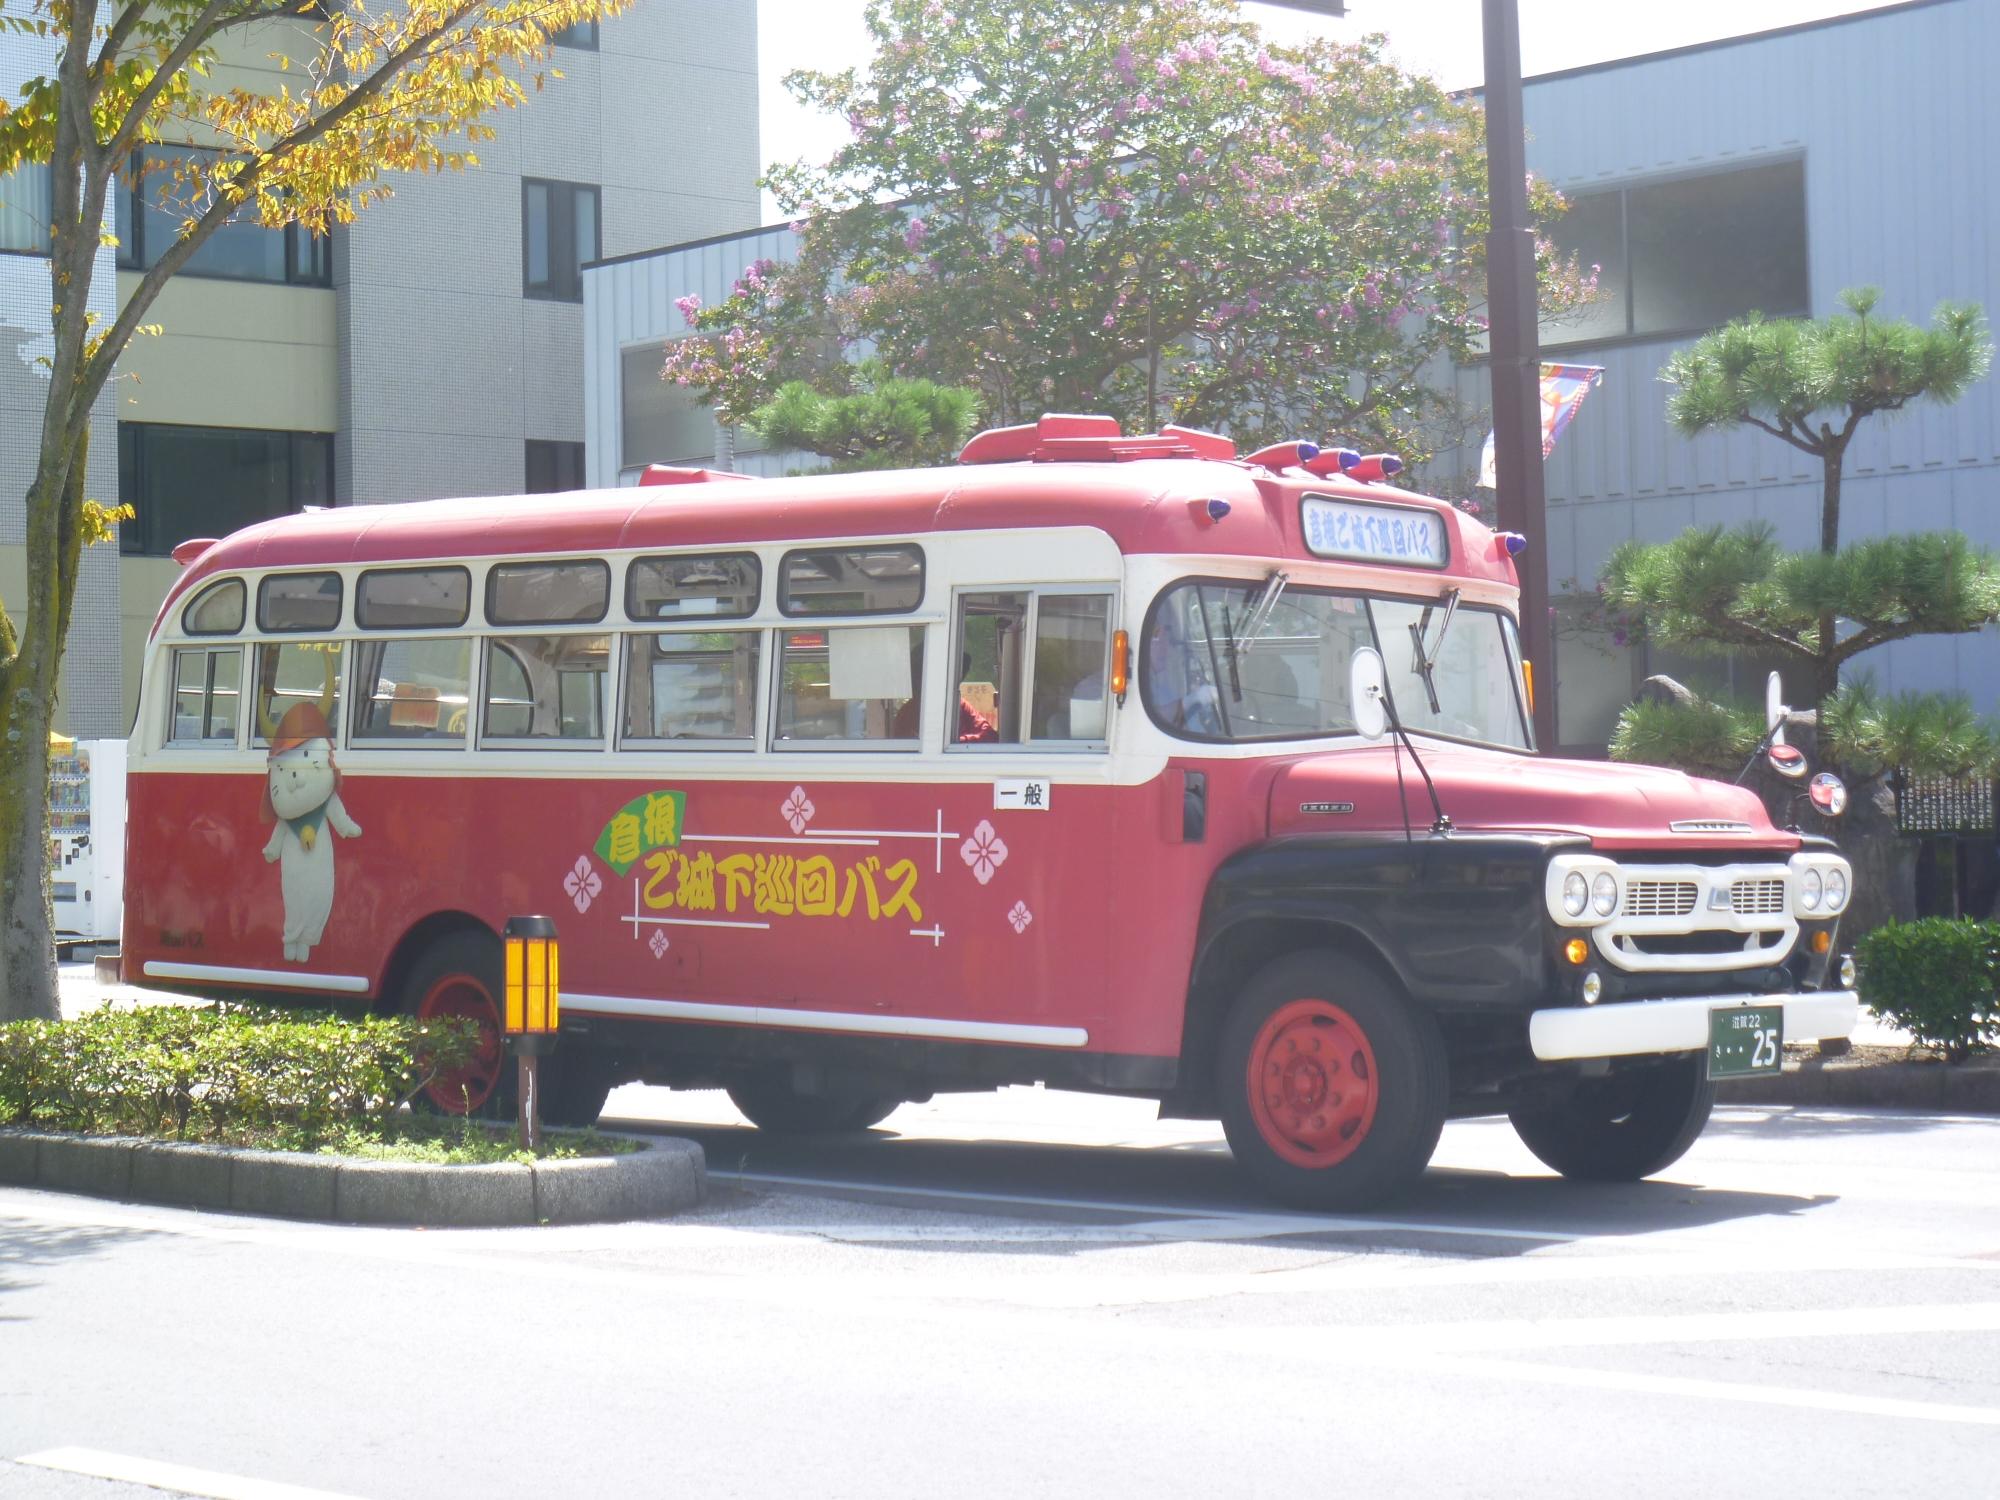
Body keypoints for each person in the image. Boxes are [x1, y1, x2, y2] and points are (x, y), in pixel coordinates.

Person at [1147, 604, 1222, 734]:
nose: (1163, 647)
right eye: (1156, 638)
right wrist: (1193, 699)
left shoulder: (1164, 683)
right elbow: (1152, 719)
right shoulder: (1138, 682)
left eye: (1166, 639)